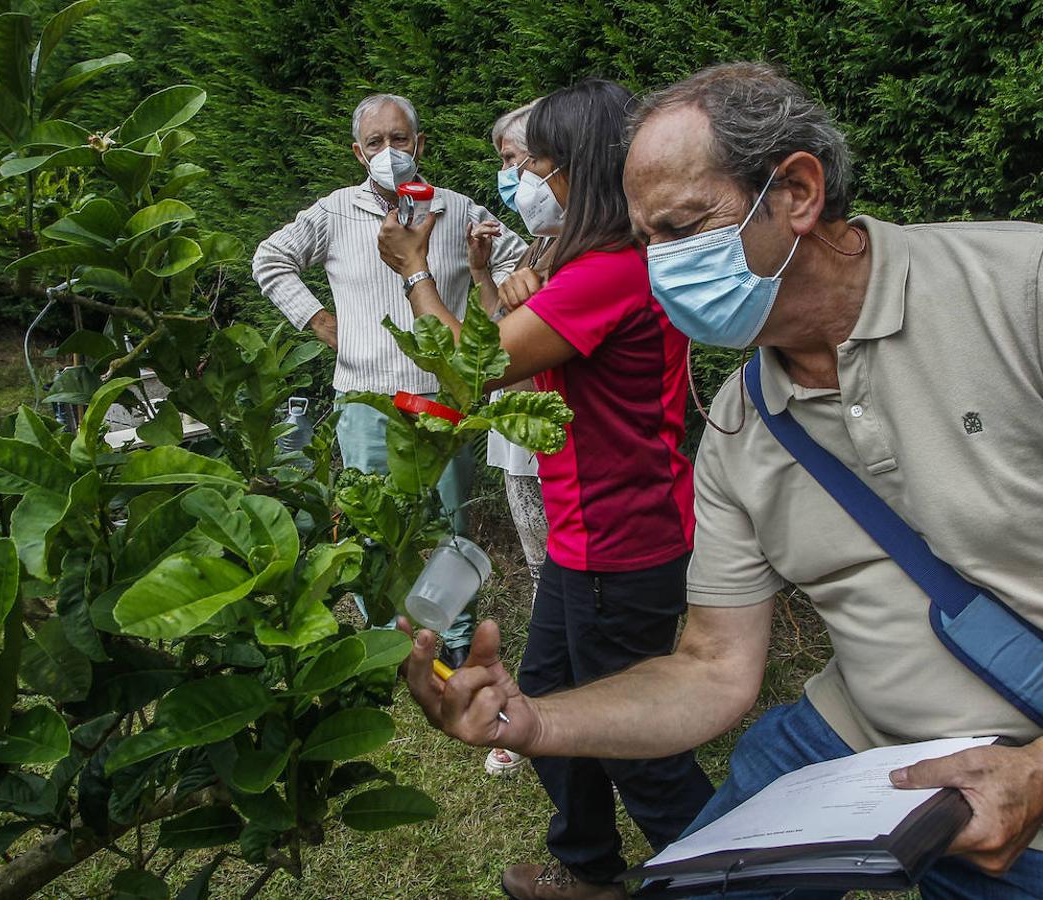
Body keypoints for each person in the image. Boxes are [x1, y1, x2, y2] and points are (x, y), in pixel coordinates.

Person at [399, 62, 1043, 900]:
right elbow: (710, 668)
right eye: (645, 237)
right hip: (850, 756)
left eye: (680, 227)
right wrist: (540, 721)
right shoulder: (741, 421)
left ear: (797, 194)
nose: (658, 267)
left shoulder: (1032, 291)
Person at [377, 78, 715, 900]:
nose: (529, 176)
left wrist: (416, 269)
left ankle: (741, 877)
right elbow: (521, 343)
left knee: (636, 746)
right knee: (547, 707)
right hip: (590, 536)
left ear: (577, 168)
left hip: (617, 542)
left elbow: (468, 370)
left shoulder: (606, 271)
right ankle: (588, 869)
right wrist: (514, 287)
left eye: (536, 161)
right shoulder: (595, 265)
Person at [252, 93, 526, 666]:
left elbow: (517, 265)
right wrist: (321, 322)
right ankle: (388, 644)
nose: (389, 152)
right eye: (375, 142)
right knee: (372, 526)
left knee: (449, 526)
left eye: (399, 139)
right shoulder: (333, 213)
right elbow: (270, 259)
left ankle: (450, 644)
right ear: (358, 152)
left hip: (443, 399)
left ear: (420, 144)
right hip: (366, 399)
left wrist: (500, 297)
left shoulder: (458, 209)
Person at [472, 99, 550, 779]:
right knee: (539, 573)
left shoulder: (576, 251)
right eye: (501, 161)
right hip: (518, 438)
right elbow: (498, 332)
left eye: (514, 160)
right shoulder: (527, 245)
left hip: (550, 437)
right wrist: (479, 276)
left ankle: (551, 709)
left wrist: (415, 274)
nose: (508, 176)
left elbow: (490, 359)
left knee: (559, 582)